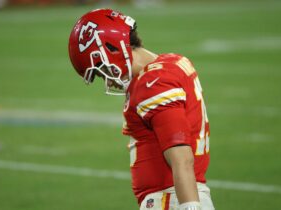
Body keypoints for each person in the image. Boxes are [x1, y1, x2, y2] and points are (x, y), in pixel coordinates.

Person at [68, 8, 215, 210]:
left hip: (171, 199)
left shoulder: (152, 82)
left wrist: (189, 206)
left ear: (113, 49)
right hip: (175, 195)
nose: (105, 77)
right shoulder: (172, 62)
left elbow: (182, 158)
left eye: (101, 68)